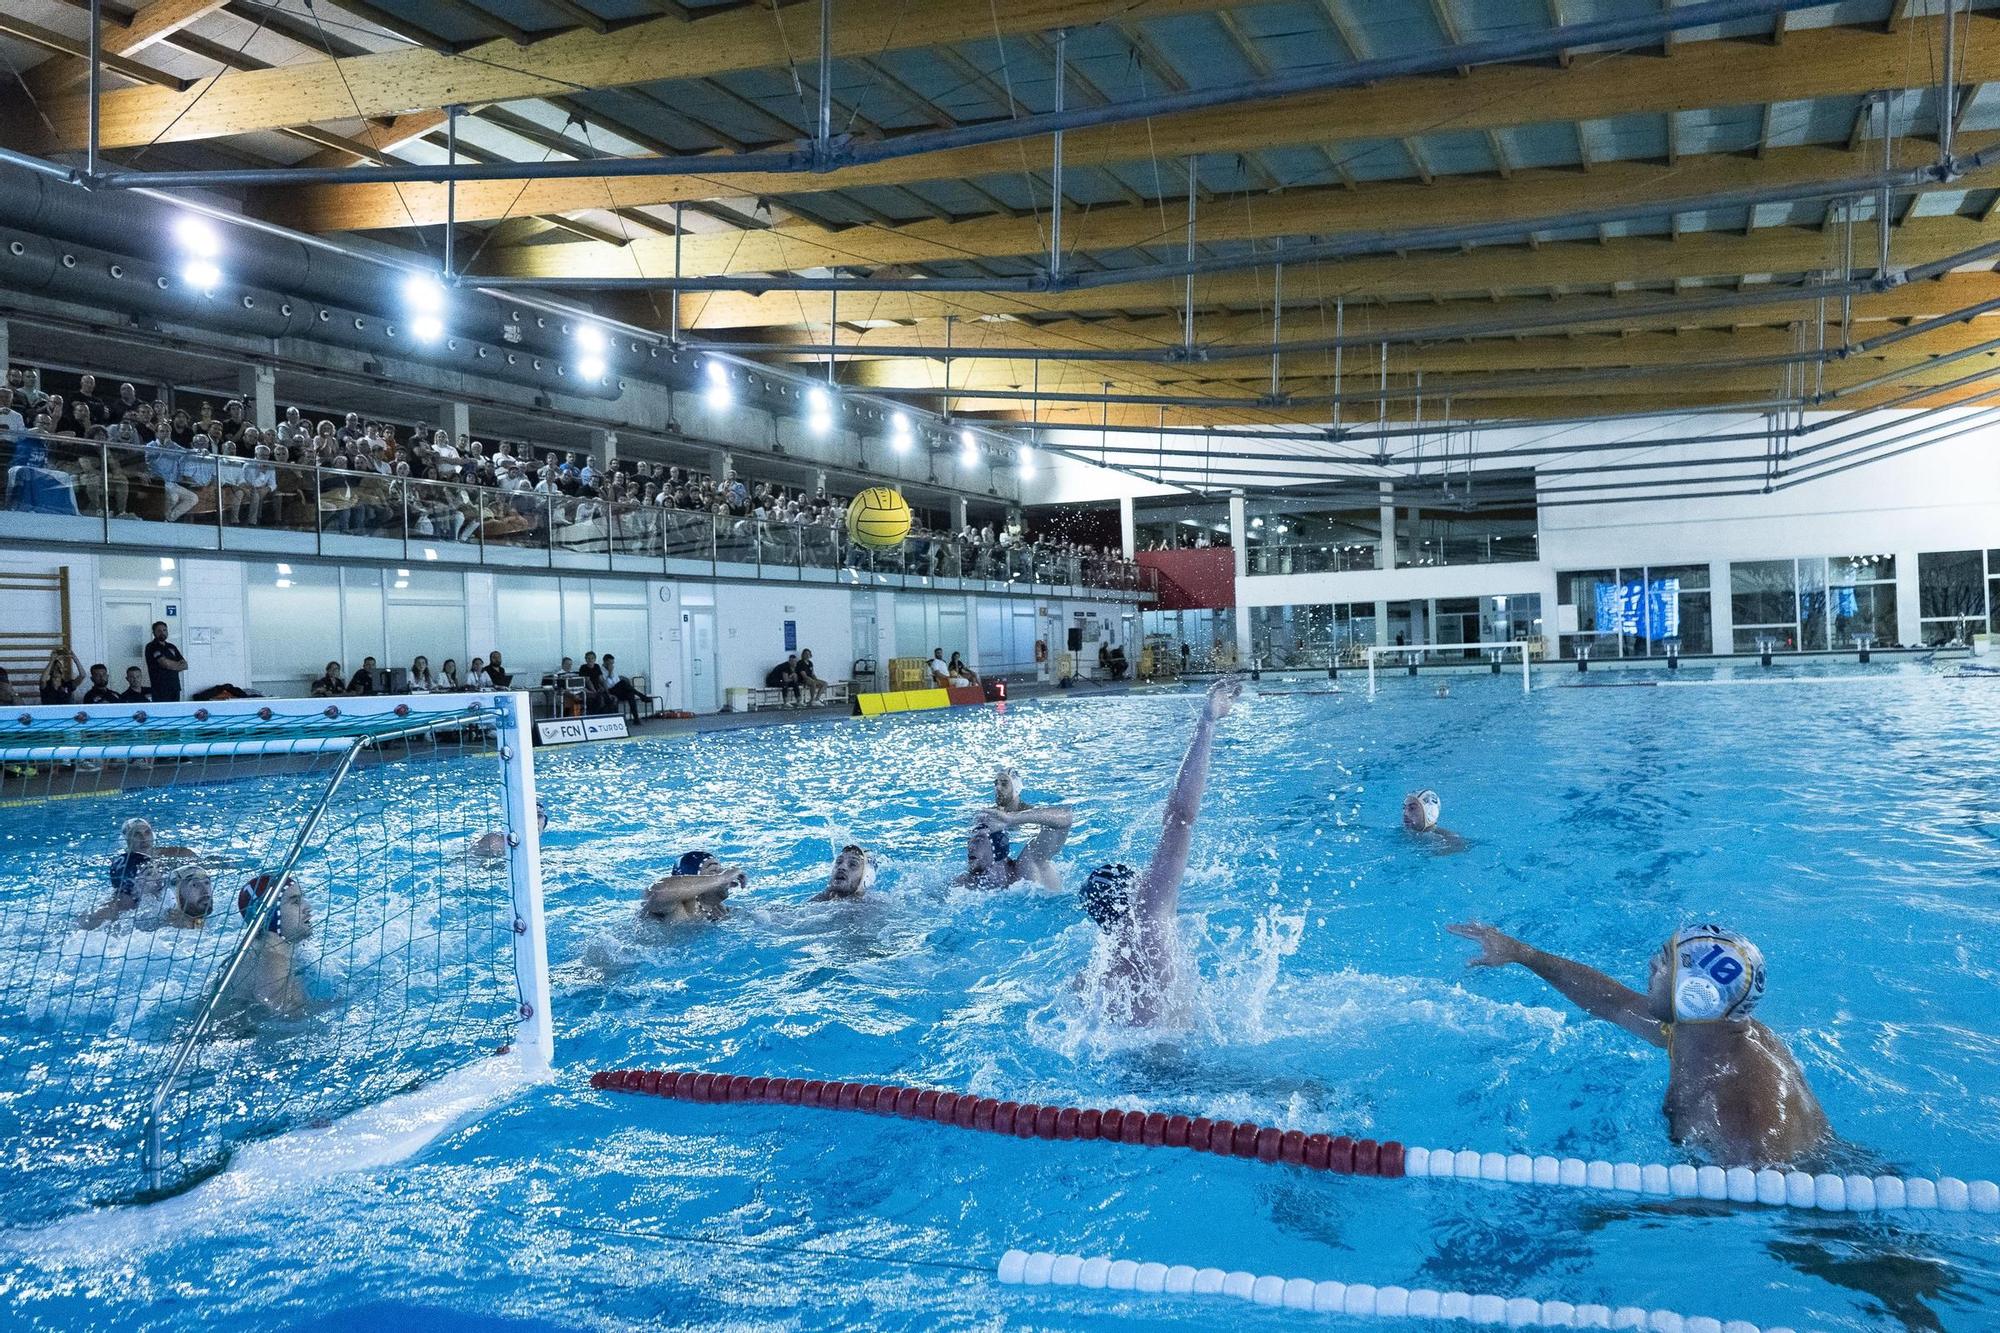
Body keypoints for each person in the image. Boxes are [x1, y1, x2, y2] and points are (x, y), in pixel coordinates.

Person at [1447, 922, 1831, 1166]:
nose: (1651, 969)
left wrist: (1630, 1213)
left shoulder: (1740, 1106)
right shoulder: (1703, 1034)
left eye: (1665, 965)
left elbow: (1743, 1203)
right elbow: (1611, 1002)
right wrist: (1523, 954)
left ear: (1695, 994)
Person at [1077, 676, 1241, 1026]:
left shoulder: (1096, 970)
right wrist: (1206, 723)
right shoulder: (1150, 914)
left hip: (1125, 1069)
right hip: (1181, 1064)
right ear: (1134, 891)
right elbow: (1180, 817)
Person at [235, 873, 314, 1016]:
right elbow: (291, 1017)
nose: (308, 907)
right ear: (268, 914)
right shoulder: (271, 959)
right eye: (295, 902)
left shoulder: (262, 949)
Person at [961, 802, 1074, 892]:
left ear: (998, 844)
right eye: (969, 840)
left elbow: (1065, 818)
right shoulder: (967, 883)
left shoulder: (1029, 864)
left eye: (979, 840)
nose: (970, 847)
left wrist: (1012, 819)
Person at [642, 851, 745, 923]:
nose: (722, 873)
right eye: (713, 871)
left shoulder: (719, 910)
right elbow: (658, 892)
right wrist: (721, 878)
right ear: (692, 877)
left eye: (722, 870)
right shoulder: (676, 907)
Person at [1401, 789, 1467, 853]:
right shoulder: (1401, 833)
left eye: (1412, 808)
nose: (1405, 814)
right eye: (1404, 808)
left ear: (1430, 812)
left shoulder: (1451, 841)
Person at [158, 864, 214, 930]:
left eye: (206, 883)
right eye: (194, 885)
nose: (205, 891)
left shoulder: (212, 920)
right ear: (177, 894)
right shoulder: (164, 930)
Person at [144, 621, 188, 703]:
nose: (162, 633)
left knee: (175, 712)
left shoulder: (172, 647)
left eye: (164, 630)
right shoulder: (151, 646)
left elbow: (185, 665)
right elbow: (165, 664)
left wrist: (171, 665)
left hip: (175, 687)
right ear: (154, 633)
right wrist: (177, 665)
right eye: (159, 631)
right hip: (160, 689)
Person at [599, 653, 643, 723]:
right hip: (609, 691)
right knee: (623, 682)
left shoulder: (613, 670)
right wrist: (610, 672)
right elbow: (606, 683)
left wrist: (611, 671)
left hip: (617, 690)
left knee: (630, 694)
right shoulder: (600, 671)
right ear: (605, 662)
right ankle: (641, 695)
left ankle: (636, 718)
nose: (612, 665)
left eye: (612, 663)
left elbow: (617, 682)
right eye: (610, 663)